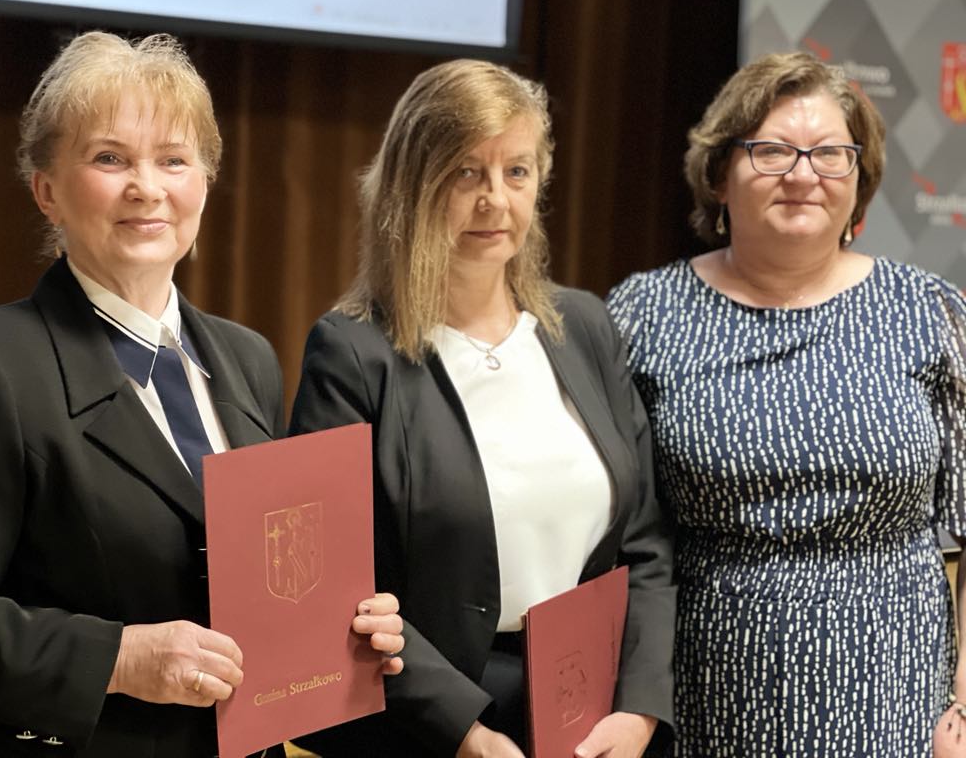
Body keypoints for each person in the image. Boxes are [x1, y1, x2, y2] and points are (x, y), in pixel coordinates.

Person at [0, 31, 403, 758]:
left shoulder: (247, 358)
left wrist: (342, 620)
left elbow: (265, 573)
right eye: (109, 158)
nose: (147, 187)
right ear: (47, 191)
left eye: (174, 160)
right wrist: (117, 660)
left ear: (205, 185)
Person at [287, 59, 676, 758]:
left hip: (587, 712)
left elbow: (644, 548)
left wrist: (639, 710)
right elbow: (335, 591)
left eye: (517, 172)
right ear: (413, 185)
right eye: (467, 173)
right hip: (427, 722)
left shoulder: (583, 327)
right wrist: (465, 732)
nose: (496, 200)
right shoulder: (352, 353)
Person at [606, 50, 966, 757]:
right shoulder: (643, 314)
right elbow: (613, 536)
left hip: (898, 706)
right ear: (718, 173)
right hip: (705, 700)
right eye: (772, 151)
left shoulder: (929, 311)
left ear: (859, 182)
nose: (803, 175)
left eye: (831, 154)